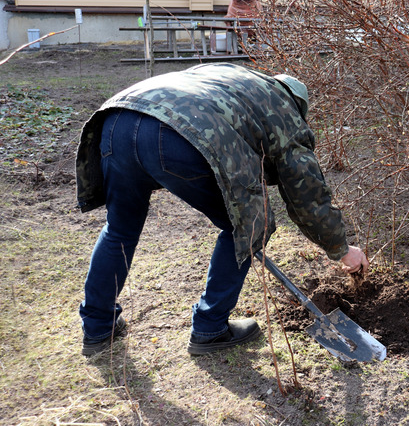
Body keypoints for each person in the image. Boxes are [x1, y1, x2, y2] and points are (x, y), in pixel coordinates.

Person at [75, 63, 369, 357]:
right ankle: (210, 327)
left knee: (120, 228)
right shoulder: (282, 108)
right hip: (175, 133)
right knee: (253, 223)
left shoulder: (233, 78)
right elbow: (308, 192)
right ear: (297, 104)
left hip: (117, 121)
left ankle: (99, 327)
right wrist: (342, 249)